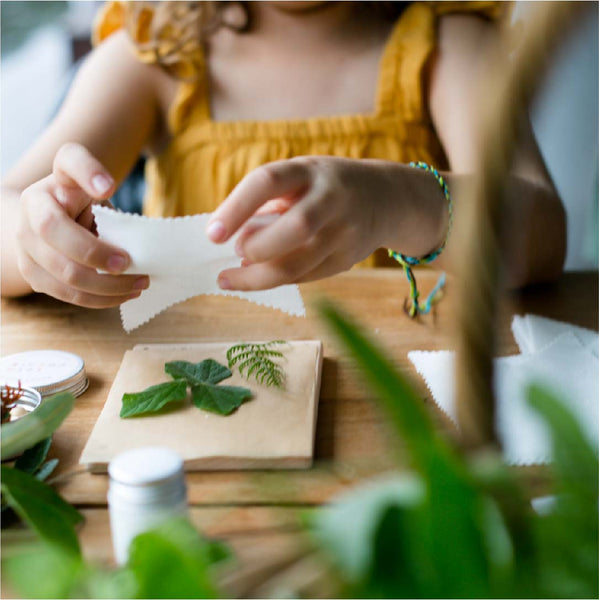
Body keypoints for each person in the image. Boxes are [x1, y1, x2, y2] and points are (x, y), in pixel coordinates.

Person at [1, 1, 566, 313]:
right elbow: (10, 208)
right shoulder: (156, 51)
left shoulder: (450, 43)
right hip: (208, 401)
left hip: (403, 404)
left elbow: (541, 239)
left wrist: (397, 202)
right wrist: (35, 232)